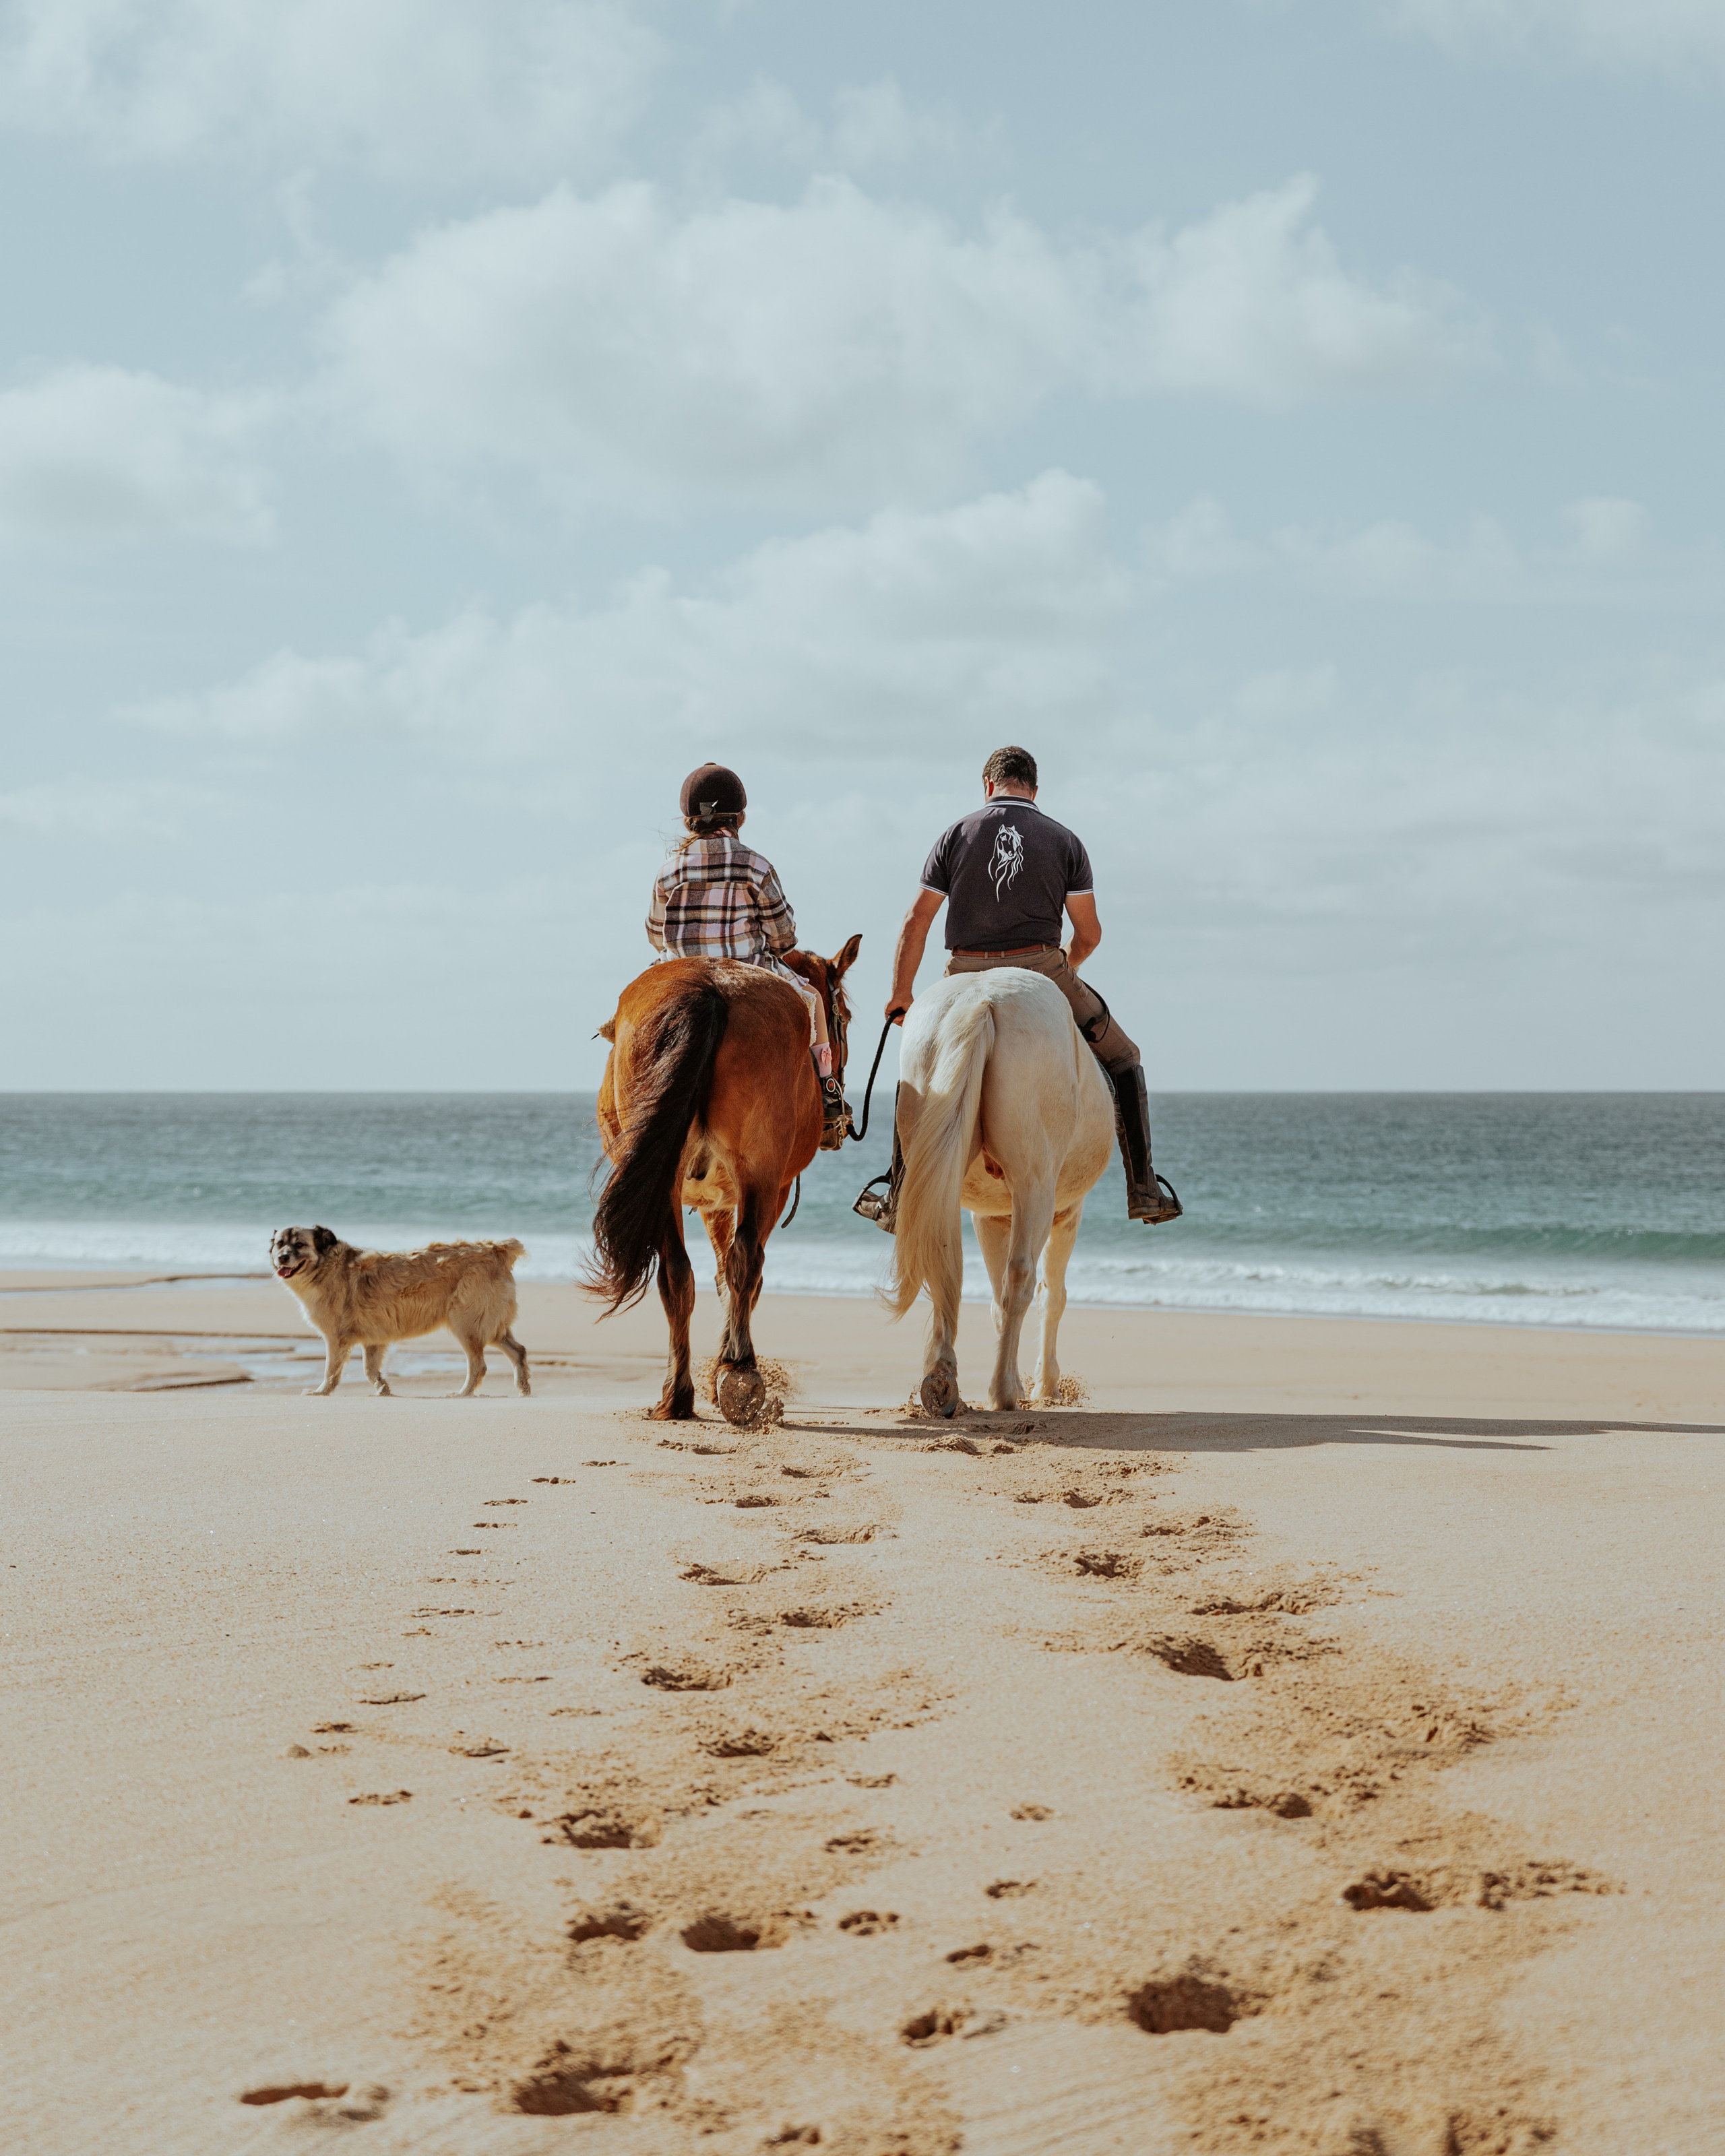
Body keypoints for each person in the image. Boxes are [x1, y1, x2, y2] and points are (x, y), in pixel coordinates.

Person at [882, 744, 1180, 1222]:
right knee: (1124, 1058)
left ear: (987, 785)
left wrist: (901, 994)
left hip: (962, 970)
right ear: (1035, 790)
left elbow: (916, 920)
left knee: (916, 1062)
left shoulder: (954, 835)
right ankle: (1144, 1188)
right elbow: (1090, 933)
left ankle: (895, 1193)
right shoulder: (1064, 841)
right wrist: (1068, 967)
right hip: (1042, 968)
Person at [648, 762, 851, 1147]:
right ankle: (827, 1091)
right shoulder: (756, 865)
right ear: (740, 817)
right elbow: (783, 937)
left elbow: (656, 935)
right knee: (813, 1003)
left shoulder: (667, 870)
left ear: (689, 820)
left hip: (683, 974)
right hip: (750, 973)